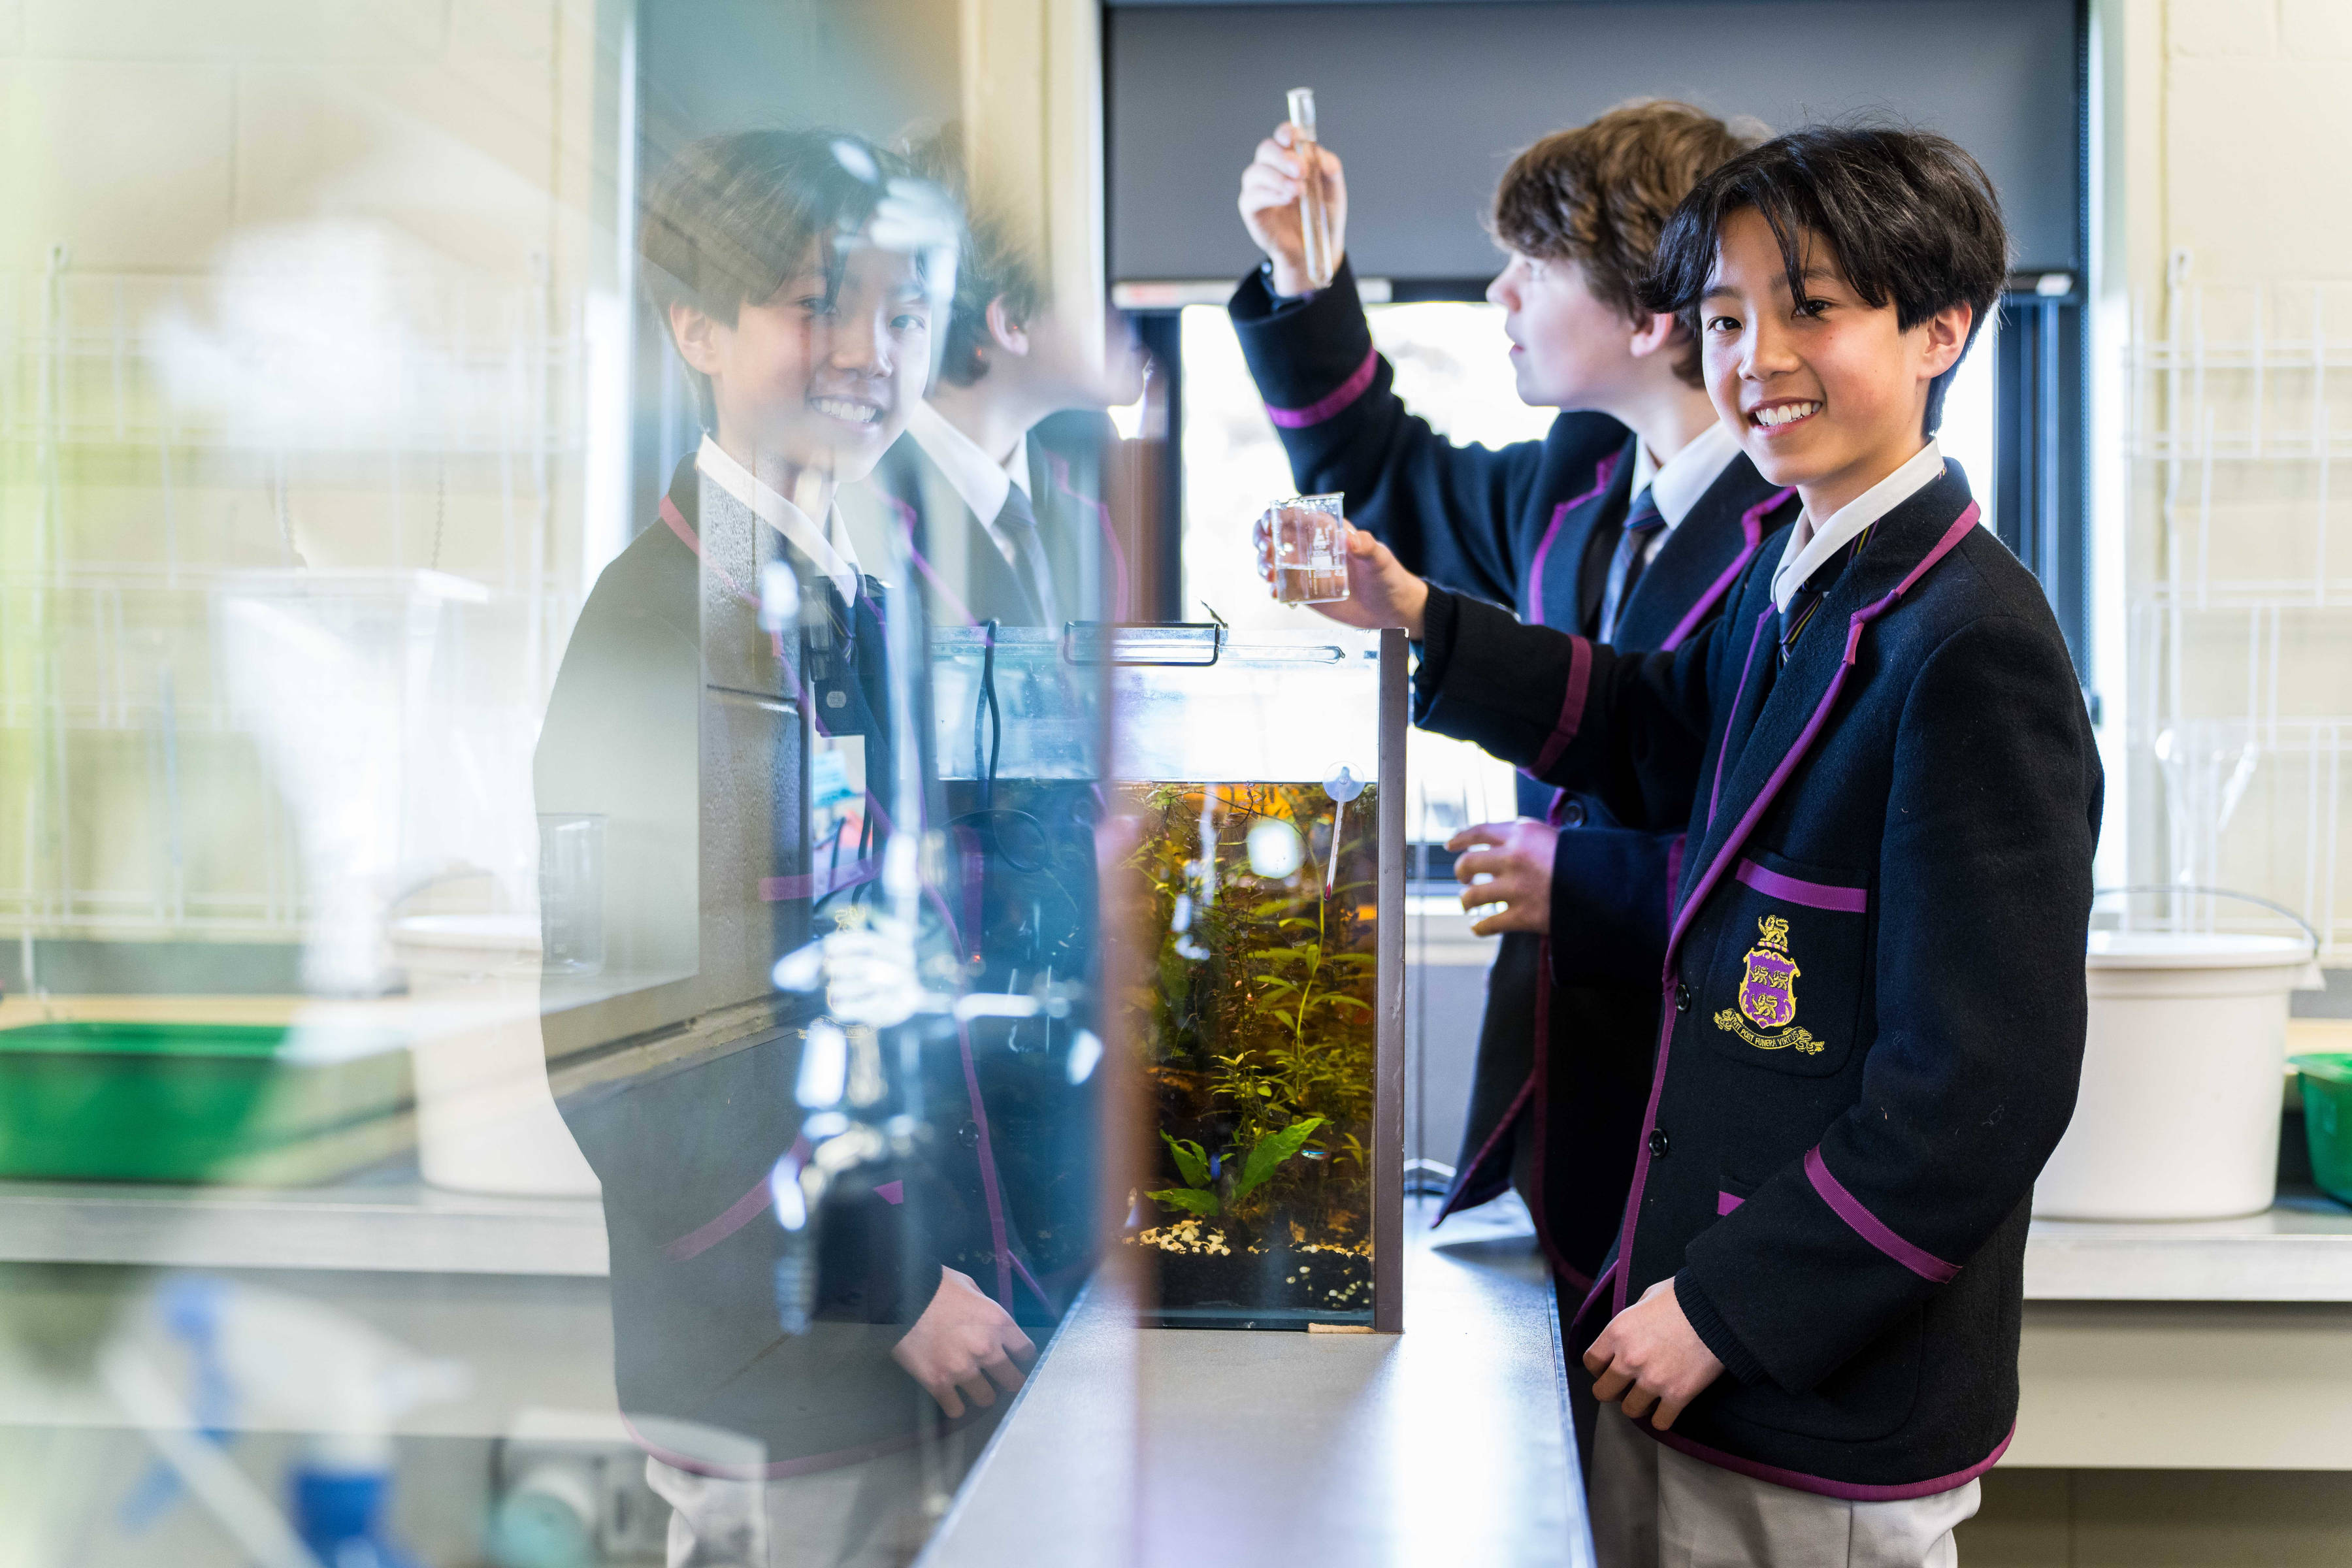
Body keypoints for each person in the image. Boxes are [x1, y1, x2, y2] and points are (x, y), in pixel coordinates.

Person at [1290, 125, 2100, 1567]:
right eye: (1727, 319)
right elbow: (1658, 727)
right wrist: (1420, 617)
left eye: (1813, 309)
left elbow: (1979, 1089)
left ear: (1941, 329)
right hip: (1686, 1332)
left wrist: (1726, 1305)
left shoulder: (1970, 639)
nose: (1757, 357)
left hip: (1808, 1383)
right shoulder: (1804, 573)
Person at [536, 127, 1034, 1567]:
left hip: (911, 1326)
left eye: (901, 312)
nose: (866, 352)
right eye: (815, 303)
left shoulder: (843, 588)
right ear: (694, 322)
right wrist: (891, 1282)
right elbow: (629, 1064)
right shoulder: (650, 637)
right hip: (794, 1372)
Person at [1230, 101, 1802, 1342]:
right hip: (1564, 1102)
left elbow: (1790, 858)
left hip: (1707, 1102)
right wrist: (1302, 270)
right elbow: (1383, 472)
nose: (1500, 295)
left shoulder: (1795, 534)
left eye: (1532, 268)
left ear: (1654, 317)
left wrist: (1583, 878)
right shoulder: (1581, 478)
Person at [848, 135, 1145, 629]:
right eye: (1102, 280)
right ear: (1013, 322)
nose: (1136, 299)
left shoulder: (1089, 508)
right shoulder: (855, 510)